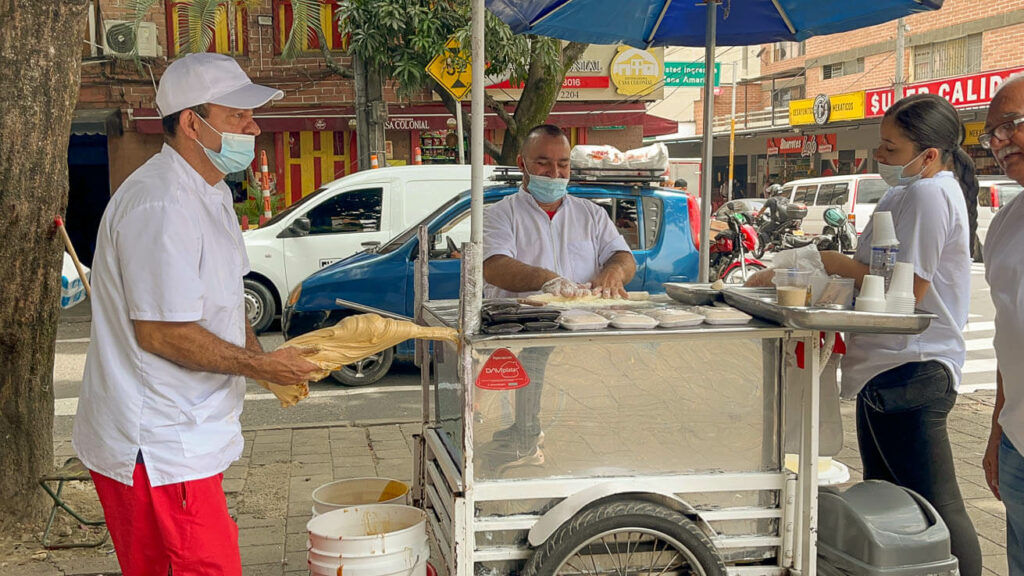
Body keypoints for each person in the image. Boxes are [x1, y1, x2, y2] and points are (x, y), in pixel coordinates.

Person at [72, 53, 321, 575]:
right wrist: (261, 368)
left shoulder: (209, 193)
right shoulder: (160, 203)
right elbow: (163, 333)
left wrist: (264, 360)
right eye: (238, 117)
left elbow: (227, 304)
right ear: (192, 122)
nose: (253, 129)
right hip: (157, 445)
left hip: (187, 434)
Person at [747, 93, 982, 576]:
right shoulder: (906, 193)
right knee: (893, 499)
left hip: (913, 365)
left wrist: (832, 264)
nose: (880, 157)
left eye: (892, 150)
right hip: (885, 366)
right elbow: (880, 268)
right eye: (880, 145)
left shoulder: (930, 193)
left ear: (930, 154)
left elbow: (908, 289)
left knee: (933, 505)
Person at [482, 124, 636, 468]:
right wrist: (548, 280)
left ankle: (548, 446)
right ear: (522, 164)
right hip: (519, 334)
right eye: (543, 163)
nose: (555, 172)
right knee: (524, 395)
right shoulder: (501, 214)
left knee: (573, 415)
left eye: (563, 164)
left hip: (580, 344)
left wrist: (614, 271)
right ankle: (522, 441)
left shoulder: (591, 214)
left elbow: (623, 257)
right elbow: (493, 266)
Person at [980, 73, 1024, 576]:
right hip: (1017, 445)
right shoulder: (1006, 223)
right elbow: (1008, 336)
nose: (999, 142)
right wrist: (995, 432)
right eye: (993, 133)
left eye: (1011, 125)